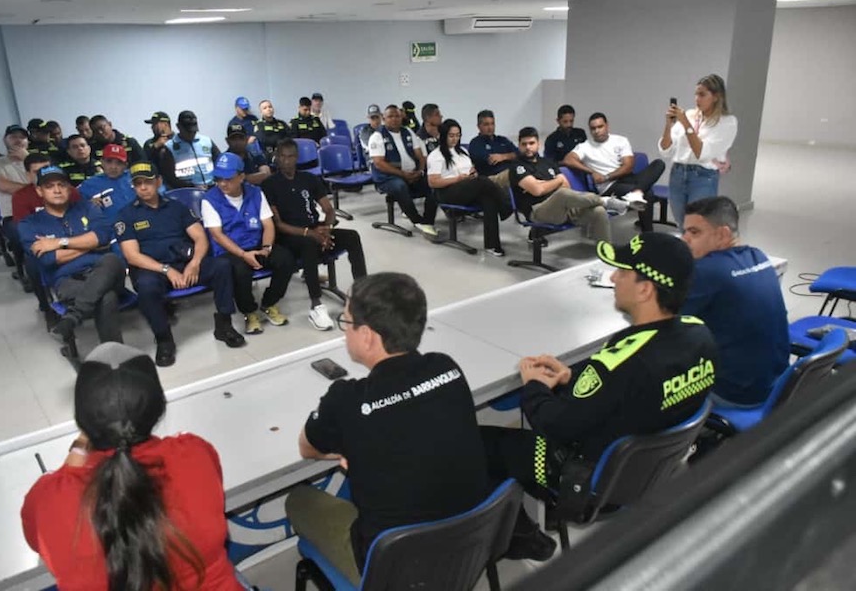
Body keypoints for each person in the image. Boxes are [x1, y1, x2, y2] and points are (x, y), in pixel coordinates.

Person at [481, 233, 718, 519]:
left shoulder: (621, 362)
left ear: (645, 290)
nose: (614, 278)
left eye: (622, 272)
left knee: (479, 442)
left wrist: (534, 386)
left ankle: (518, 530)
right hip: (644, 470)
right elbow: (620, 392)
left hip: (587, 475)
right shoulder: (702, 336)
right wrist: (573, 376)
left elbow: (555, 424)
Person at [285, 273, 492, 584]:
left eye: (346, 322)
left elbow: (307, 447)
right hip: (470, 542)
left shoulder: (346, 400)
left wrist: (344, 450)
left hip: (394, 568)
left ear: (367, 335)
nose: (344, 332)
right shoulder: (446, 367)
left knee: (299, 500)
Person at [21, 342, 250, 591]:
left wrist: (79, 447)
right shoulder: (194, 452)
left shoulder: (49, 497)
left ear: (83, 421)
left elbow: (40, 542)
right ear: (158, 408)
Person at [115, 162, 245, 367]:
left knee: (222, 266)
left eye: (147, 182)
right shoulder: (126, 215)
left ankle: (224, 325)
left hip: (185, 264)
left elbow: (200, 237)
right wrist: (166, 270)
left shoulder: (176, 207)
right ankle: (164, 339)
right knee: (147, 288)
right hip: (153, 269)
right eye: (137, 183)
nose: (143, 187)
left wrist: (194, 263)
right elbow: (132, 256)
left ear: (158, 182)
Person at [681, 196, 788, 407]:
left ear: (723, 234)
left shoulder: (706, 271)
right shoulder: (758, 256)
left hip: (735, 393)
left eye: (694, 232)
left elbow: (662, 318)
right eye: (684, 231)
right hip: (779, 385)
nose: (685, 239)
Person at [263, 139, 367, 331]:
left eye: (291, 156)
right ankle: (316, 305)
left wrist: (326, 229)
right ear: (277, 158)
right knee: (309, 243)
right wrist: (310, 233)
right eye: (282, 157)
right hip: (288, 236)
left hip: (313, 228)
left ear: (297, 158)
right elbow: (278, 224)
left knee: (352, 236)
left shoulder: (309, 179)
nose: (287, 161)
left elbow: (329, 209)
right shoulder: (270, 184)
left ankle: (363, 294)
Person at [18, 166, 125, 343]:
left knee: (111, 259)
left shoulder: (87, 207)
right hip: (67, 280)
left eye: (61, 184)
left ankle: (73, 317)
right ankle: (115, 353)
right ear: (39, 191)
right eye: (50, 186)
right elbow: (48, 259)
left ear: (69, 188)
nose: (57, 190)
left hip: (106, 269)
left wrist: (60, 243)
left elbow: (103, 236)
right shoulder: (29, 224)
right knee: (107, 297)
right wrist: (90, 245)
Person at [202, 152, 296, 334]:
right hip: (229, 250)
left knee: (285, 259)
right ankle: (249, 312)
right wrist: (243, 254)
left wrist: (266, 248)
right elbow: (217, 235)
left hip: (256, 244)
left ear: (241, 176)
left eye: (228, 179)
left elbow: (268, 224)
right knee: (240, 270)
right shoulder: (210, 199)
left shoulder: (255, 193)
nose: (222, 183)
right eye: (218, 179)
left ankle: (269, 303)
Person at [510, 127, 634, 243]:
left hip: (564, 208)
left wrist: (546, 183)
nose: (528, 147)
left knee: (599, 211)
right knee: (562, 193)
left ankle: (606, 253)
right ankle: (605, 201)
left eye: (531, 143)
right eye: (524, 144)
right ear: (519, 145)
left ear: (538, 144)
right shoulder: (517, 166)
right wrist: (555, 181)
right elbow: (537, 190)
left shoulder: (547, 162)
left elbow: (565, 184)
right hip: (538, 211)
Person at [563, 112, 665, 232]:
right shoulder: (585, 146)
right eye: (593, 128)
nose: (597, 131)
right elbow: (568, 159)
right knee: (648, 193)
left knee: (659, 163)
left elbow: (628, 166)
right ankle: (648, 235)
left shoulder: (620, 141)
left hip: (626, 178)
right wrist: (591, 172)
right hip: (609, 187)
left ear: (607, 126)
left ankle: (637, 192)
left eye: (600, 127)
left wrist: (606, 176)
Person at [659, 74, 738, 225]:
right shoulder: (689, 115)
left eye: (702, 94)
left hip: (702, 177)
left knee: (698, 226)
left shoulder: (727, 122)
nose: (697, 99)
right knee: (682, 224)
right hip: (678, 173)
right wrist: (669, 125)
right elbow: (666, 150)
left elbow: (701, 153)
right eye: (696, 94)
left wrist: (686, 124)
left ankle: (697, 250)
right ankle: (686, 249)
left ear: (716, 96)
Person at [427, 119, 511, 256]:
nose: (455, 139)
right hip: (447, 192)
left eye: (457, 135)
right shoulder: (436, 156)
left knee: (488, 199)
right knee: (482, 181)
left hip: (466, 188)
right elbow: (433, 182)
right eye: (451, 135)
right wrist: (458, 179)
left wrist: (472, 174)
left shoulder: (463, 152)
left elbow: (472, 170)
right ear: (443, 136)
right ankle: (506, 206)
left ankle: (492, 245)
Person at [13, 154, 84, 312]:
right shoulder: (20, 196)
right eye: (36, 171)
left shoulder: (68, 191)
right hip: (44, 243)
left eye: (46, 169)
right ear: (28, 175)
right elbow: (27, 232)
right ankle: (45, 305)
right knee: (32, 261)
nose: (42, 175)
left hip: (73, 237)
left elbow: (82, 217)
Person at [368, 105, 438, 237]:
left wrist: (420, 171)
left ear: (402, 117)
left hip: (412, 174)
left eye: (397, 116)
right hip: (387, 178)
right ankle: (417, 220)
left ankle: (428, 221)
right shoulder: (377, 136)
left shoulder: (408, 132)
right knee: (400, 185)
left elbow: (420, 155)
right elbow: (379, 163)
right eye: (390, 116)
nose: (394, 119)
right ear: (384, 118)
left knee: (432, 183)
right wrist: (403, 175)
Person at [0, 125, 31, 269]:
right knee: (21, 237)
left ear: (28, 141)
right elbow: (4, 186)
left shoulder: (37, 161)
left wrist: (28, 160)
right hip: (13, 215)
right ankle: (23, 270)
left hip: (44, 210)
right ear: (5, 141)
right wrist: (36, 189)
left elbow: (49, 182)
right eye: (13, 137)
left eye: (22, 137)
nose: (18, 140)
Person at [159, 110, 222, 190]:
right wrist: (192, 187)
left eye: (194, 131)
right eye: (188, 131)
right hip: (187, 192)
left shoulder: (207, 141)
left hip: (213, 188)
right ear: (178, 127)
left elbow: (220, 162)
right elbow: (170, 177)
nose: (191, 134)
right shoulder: (169, 148)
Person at [78, 143, 138, 225]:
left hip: (143, 226)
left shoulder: (136, 177)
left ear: (125, 165)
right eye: (109, 161)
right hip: (111, 232)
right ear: (101, 162)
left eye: (119, 163)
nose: (113, 167)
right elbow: (73, 208)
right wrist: (88, 205)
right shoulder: (89, 184)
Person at [468, 109, 518, 195]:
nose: (490, 127)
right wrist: (510, 156)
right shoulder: (475, 143)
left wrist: (503, 157)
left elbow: (520, 154)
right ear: (479, 126)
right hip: (491, 179)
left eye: (492, 124)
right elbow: (490, 159)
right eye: (486, 124)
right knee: (517, 173)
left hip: (509, 173)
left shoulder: (502, 140)